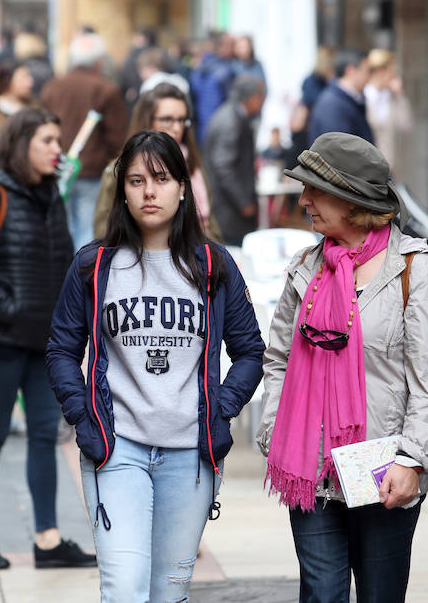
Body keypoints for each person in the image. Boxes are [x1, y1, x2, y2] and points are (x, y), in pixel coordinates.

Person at [46, 130, 265, 601]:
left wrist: (221, 410)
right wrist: (82, 416)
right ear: (121, 190)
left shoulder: (214, 264)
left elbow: (250, 352)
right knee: (124, 589)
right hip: (116, 448)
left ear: (183, 187)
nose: (149, 192)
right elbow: (62, 350)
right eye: (136, 180)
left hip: (190, 456)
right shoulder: (95, 265)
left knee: (169, 593)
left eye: (162, 179)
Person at [255, 132, 428, 603]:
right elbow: (278, 359)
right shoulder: (305, 268)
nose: (303, 200)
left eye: (314, 190)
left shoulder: (417, 272)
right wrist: (275, 430)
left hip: (384, 471)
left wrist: (411, 459)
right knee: (321, 595)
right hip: (309, 467)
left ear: (351, 199)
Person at [0, 107, 94, 570]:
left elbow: (60, 259)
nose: (57, 149)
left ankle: (48, 540)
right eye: (47, 141)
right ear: (21, 144)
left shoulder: (50, 193)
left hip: (43, 340)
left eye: (58, 140)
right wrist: (12, 311)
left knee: (43, 436)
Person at [93, 82, 222, 241]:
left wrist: (216, 256)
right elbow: (104, 230)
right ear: (147, 120)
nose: (176, 128)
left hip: (199, 256)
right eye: (167, 119)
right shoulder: (121, 169)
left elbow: (210, 223)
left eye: (181, 120)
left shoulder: (193, 165)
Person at [40, 32, 128, 250]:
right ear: (99, 62)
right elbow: (117, 136)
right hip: (93, 172)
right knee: (89, 230)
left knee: (62, 229)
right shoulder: (107, 89)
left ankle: (63, 279)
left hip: (57, 170)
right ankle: (82, 279)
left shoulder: (52, 87)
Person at [203, 73, 266, 245]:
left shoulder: (232, 115)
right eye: (261, 96)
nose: (262, 101)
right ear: (252, 97)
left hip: (229, 208)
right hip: (229, 210)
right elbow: (223, 167)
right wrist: (243, 202)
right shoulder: (231, 121)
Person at [364, 49, 412, 182]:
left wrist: (400, 96)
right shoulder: (364, 98)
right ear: (380, 72)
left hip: (389, 169)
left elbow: (406, 125)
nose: (394, 77)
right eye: (392, 72)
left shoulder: (392, 99)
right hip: (367, 168)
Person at [308, 49, 374, 145]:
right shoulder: (332, 105)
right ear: (351, 71)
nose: (369, 77)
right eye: (367, 71)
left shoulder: (347, 100)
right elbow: (339, 152)